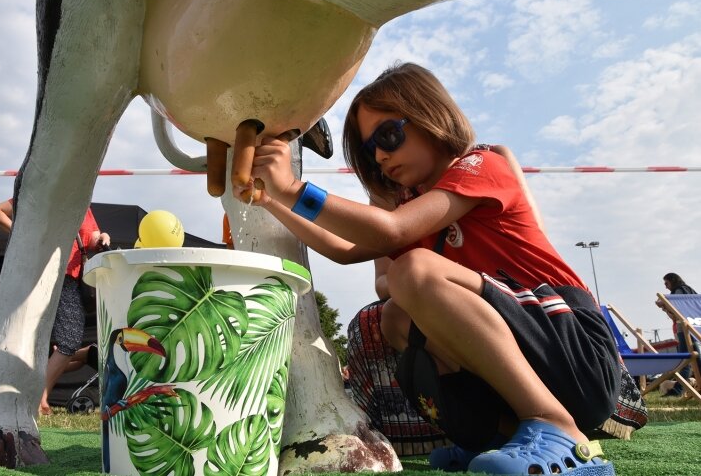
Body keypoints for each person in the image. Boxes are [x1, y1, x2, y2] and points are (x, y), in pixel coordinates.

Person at [241, 63, 620, 475]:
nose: (381, 155)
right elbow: (346, 250)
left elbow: (391, 230)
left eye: (388, 135)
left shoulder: (482, 166)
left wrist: (294, 188)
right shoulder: (415, 207)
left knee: (412, 272)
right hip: (535, 352)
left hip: (575, 349)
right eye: (370, 151)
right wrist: (271, 202)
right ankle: (505, 437)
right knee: (395, 318)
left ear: (429, 115)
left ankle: (558, 429)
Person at [0, 199, 110, 415]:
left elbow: (91, 239)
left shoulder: (83, 204)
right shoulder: (46, 191)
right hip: (46, 273)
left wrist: (102, 238)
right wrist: (25, 236)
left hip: (71, 278)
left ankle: (38, 395)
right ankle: (39, 397)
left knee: (65, 342)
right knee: (60, 340)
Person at [657, 273, 699, 397]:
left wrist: (663, 305)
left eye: (667, 283)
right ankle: (679, 389)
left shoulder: (678, 292)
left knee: (685, 359)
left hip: (685, 329)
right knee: (693, 358)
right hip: (695, 326)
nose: (666, 287)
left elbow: (676, 314)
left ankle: (678, 390)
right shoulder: (689, 290)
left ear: (673, 281)